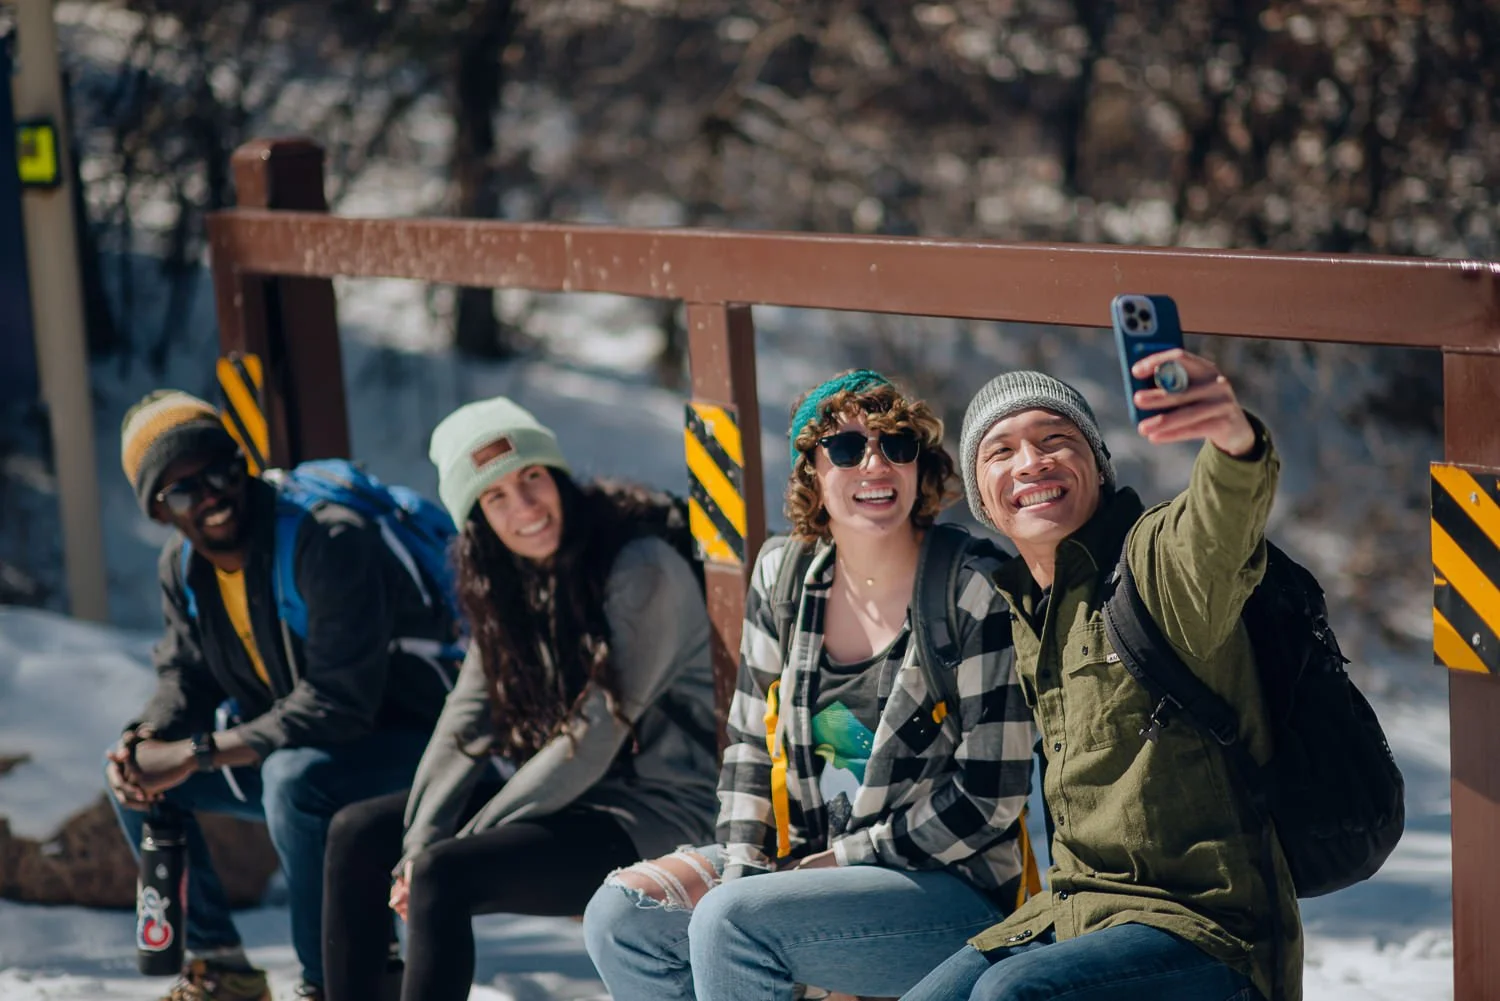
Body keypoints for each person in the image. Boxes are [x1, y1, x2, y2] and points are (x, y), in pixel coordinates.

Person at [583, 369, 1035, 1001]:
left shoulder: (971, 586)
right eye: (847, 450)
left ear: (919, 465)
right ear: (812, 476)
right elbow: (746, 745)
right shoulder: (785, 573)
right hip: (801, 865)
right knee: (621, 919)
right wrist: (745, 870)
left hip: (949, 892)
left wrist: (843, 863)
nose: (875, 465)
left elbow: (991, 798)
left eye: (896, 445)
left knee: (732, 922)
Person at [902, 352, 1298, 1001]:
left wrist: (1233, 439)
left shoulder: (1151, 566)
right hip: (1073, 915)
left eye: (1055, 439)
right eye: (1001, 451)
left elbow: (1215, 530)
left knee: (1011, 995)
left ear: (1098, 466)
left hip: (1209, 931)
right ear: (983, 501)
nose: (1031, 462)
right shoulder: (1028, 609)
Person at [319, 395, 719, 1001]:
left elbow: (595, 734)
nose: (525, 508)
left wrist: (457, 844)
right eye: (495, 496)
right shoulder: (506, 582)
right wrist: (420, 839)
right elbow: (465, 721)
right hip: (572, 798)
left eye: (531, 478)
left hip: (662, 809)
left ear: (557, 476)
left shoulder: (641, 568)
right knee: (356, 833)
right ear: (475, 519)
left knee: (443, 876)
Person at [104, 390, 456, 1001]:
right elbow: (185, 673)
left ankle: (331, 981)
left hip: (413, 751)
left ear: (239, 463)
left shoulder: (327, 539)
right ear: (160, 511)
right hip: (304, 749)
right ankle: (224, 971)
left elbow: (341, 704)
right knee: (136, 783)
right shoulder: (183, 566)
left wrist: (197, 753)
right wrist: (145, 742)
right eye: (183, 489)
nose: (210, 495)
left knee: (294, 783)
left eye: (218, 470)